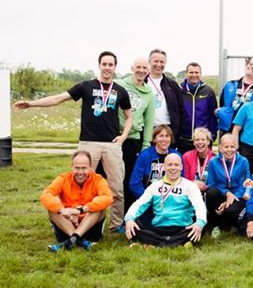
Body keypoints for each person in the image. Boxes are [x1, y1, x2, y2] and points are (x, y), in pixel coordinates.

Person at [14, 51, 132, 229]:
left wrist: (123, 137)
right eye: (104, 64)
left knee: (116, 188)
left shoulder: (120, 90)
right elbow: (58, 98)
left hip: (111, 145)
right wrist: (31, 104)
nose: (107, 68)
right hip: (88, 144)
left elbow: (129, 117)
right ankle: (81, 221)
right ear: (99, 65)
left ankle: (116, 225)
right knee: (82, 185)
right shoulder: (86, 86)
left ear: (115, 67)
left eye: (111, 64)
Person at [124, 153, 206, 247]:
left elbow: (199, 205)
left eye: (176, 165)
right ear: (164, 167)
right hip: (159, 228)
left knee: (199, 228)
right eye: (170, 165)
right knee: (133, 228)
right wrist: (129, 219)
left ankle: (156, 243)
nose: (173, 168)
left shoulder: (190, 186)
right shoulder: (155, 186)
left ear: (181, 167)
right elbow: (139, 204)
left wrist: (199, 223)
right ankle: (174, 242)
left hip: (182, 228)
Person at [40, 150, 113, 251]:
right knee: (53, 207)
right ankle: (78, 240)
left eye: (84, 168)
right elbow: (45, 195)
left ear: (90, 167)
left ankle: (70, 242)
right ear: (71, 167)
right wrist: (62, 210)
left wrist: (80, 210)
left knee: (98, 205)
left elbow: (108, 197)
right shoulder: (63, 178)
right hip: (67, 224)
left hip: (90, 226)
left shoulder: (98, 179)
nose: (80, 172)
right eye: (77, 168)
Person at [118, 57, 155, 211]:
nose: (141, 70)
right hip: (114, 137)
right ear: (132, 68)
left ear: (148, 71)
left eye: (144, 68)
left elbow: (149, 121)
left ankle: (127, 214)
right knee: (112, 179)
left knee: (129, 179)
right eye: (138, 67)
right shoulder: (119, 85)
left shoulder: (149, 93)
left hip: (133, 140)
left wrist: (146, 145)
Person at [205, 133, 250, 237]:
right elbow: (211, 184)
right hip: (221, 194)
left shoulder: (243, 161)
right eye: (226, 147)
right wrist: (227, 193)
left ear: (236, 147)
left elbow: (244, 185)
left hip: (237, 196)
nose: (229, 150)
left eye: (232, 146)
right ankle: (213, 223)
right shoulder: (213, 162)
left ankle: (225, 225)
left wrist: (230, 199)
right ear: (220, 148)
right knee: (211, 193)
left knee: (231, 211)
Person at [129, 124, 180, 200]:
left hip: (171, 199)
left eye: (167, 136)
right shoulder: (145, 155)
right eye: (161, 136)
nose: (164, 139)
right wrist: (149, 198)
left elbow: (182, 180)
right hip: (149, 198)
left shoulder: (176, 156)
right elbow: (134, 184)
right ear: (154, 139)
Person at [177, 62, 218, 153]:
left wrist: (212, 137)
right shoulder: (179, 90)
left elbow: (213, 116)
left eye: (196, 72)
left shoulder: (208, 91)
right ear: (186, 74)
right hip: (183, 140)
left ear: (201, 74)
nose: (194, 75)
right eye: (191, 72)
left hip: (202, 141)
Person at [146, 48, 184, 139]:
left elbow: (181, 110)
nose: (159, 65)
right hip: (147, 131)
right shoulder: (143, 83)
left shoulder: (172, 85)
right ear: (149, 62)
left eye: (162, 62)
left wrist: (178, 132)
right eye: (156, 61)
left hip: (168, 131)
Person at [217, 58, 253, 134]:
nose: (252, 66)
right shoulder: (230, 85)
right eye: (250, 64)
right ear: (246, 66)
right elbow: (222, 104)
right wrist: (220, 112)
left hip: (247, 132)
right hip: (228, 130)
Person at [182, 127, 215, 193]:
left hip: (209, 191)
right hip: (191, 189)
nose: (200, 142)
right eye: (197, 140)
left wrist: (206, 187)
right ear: (194, 142)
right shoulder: (186, 156)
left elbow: (217, 181)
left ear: (208, 142)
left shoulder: (214, 158)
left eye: (203, 139)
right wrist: (193, 183)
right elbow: (184, 179)